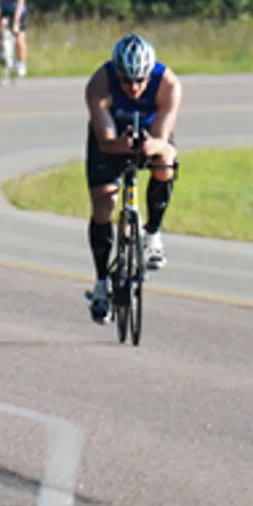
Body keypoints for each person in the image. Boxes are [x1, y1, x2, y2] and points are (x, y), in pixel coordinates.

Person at [83, 33, 182, 323]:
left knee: (166, 162)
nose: (134, 87)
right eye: (127, 81)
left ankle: (153, 233)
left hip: (151, 133)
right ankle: (101, 283)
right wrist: (120, 146)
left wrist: (151, 146)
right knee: (104, 204)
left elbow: (163, 138)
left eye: (140, 80)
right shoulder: (99, 84)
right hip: (112, 137)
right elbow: (105, 140)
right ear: (117, 74)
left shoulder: (168, 85)